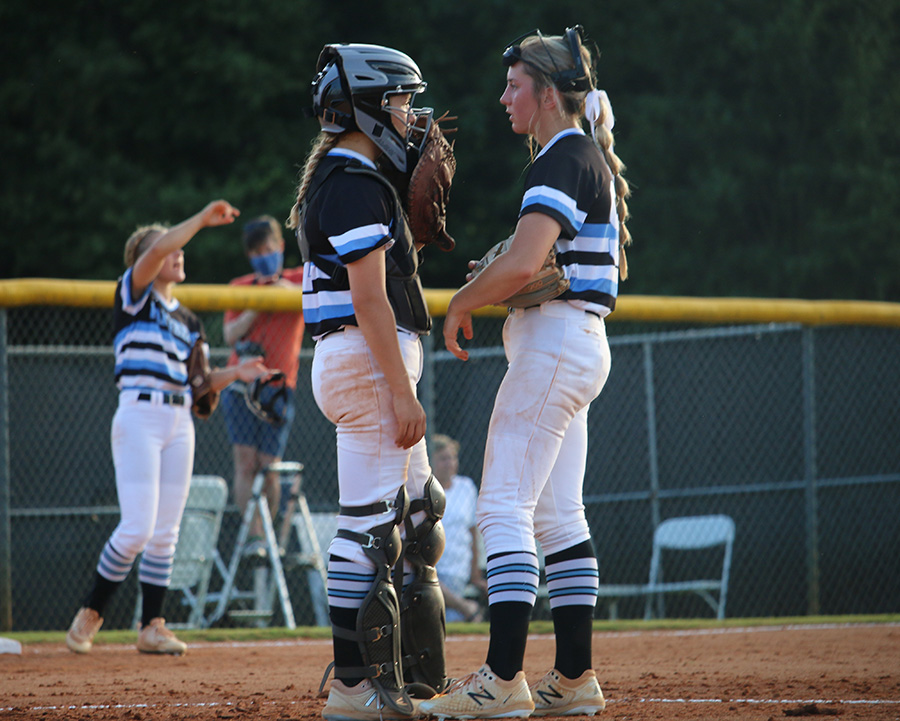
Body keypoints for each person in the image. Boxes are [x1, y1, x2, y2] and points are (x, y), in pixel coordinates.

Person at [421, 26, 631, 719]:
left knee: (502, 504)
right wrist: (502, 278)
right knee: (556, 513)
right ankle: (574, 677)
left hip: (554, 344)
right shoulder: (583, 156)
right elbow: (539, 262)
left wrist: (461, 300)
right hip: (578, 342)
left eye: (515, 84)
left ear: (546, 94)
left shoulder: (561, 158)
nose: (503, 95)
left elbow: (524, 263)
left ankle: (502, 678)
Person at [286, 43, 448, 720]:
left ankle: (414, 679)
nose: (410, 115)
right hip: (367, 363)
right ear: (370, 111)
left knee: (420, 514)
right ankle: (354, 688)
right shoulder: (353, 183)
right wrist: (403, 392)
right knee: (366, 530)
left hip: (365, 361)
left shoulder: (350, 177)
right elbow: (371, 300)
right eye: (401, 102)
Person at [65, 200, 276, 656]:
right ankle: (91, 610)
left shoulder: (189, 321)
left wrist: (234, 375)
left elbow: (197, 383)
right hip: (139, 414)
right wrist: (200, 220)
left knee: (166, 531)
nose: (176, 254)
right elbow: (162, 245)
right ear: (147, 260)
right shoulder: (134, 294)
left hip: (179, 419)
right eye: (163, 250)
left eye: (175, 248)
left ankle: (152, 626)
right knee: (138, 526)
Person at [221, 215, 305, 557]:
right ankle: (254, 535)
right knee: (245, 462)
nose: (263, 255)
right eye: (256, 252)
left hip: (279, 386)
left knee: (269, 466)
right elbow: (230, 335)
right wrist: (258, 302)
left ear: (280, 247)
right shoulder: (240, 286)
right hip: (242, 385)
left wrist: (277, 289)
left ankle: (266, 532)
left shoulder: (299, 278)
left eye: (268, 248)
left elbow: (310, 302)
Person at [430, 434, 486, 623]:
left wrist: (475, 574)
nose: (450, 463)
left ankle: (465, 609)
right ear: (431, 461)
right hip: (433, 566)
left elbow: (472, 532)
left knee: (447, 620)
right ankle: (467, 608)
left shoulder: (466, 487)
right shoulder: (425, 489)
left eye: (453, 458)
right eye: (443, 459)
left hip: (458, 570)